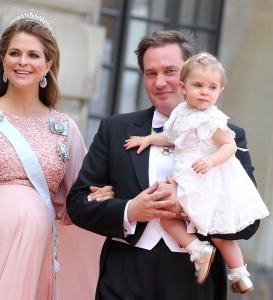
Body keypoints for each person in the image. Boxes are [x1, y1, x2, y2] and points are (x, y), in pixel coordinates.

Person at [66, 30, 260, 300]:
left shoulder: (227, 134)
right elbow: (78, 204)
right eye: (150, 73)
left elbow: (248, 224)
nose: (159, 82)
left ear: (188, 75)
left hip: (195, 284)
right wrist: (130, 209)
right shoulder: (116, 130)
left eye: (170, 71)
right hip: (124, 276)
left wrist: (186, 207)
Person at [0, 9, 113, 300]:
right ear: (2, 60)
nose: (23, 61)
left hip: (35, 254)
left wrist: (110, 197)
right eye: (14, 53)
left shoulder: (65, 129)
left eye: (33, 55)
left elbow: (78, 201)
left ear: (48, 64)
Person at [124, 51, 269, 293]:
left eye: (212, 87)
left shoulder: (213, 120)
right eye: (198, 85)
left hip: (207, 180)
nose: (205, 92)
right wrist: (148, 139)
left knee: (220, 234)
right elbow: (170, 137)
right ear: (183, 87)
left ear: (220, 91)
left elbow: (229, 146)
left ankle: (238, 272)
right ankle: (199, 250)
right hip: (188, 176)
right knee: (169, 219)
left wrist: (211, 161)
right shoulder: (181, 113)